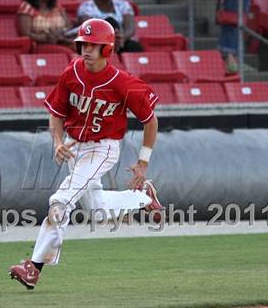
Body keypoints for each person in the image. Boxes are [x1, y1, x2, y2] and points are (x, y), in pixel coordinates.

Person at [9, 19, 162, 290]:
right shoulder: (72, 72)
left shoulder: (123, 83)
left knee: (60, 201)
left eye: (94, 45)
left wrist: (142, 162)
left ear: (107, 50)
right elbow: (55, 113)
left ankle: (35, 267)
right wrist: (57, 142)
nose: (86, 50)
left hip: (103, 148)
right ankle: (141, 198)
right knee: (98, 211)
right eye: (83, 44)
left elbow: (150, 121)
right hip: (75, 146)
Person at [77, 0, 143, 52]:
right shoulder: (86, 6)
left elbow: (130, 28)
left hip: (122, 40)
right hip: (99, 41)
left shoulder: (123, 4)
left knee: (134, 46)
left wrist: (121, 38)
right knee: (109, 22)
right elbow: (88, 29)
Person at [217, 0, 251, 74]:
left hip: (237, 5)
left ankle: (232, 64)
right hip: (235, 7)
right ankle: (231, 63)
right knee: (232, 30)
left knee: (233, 31)